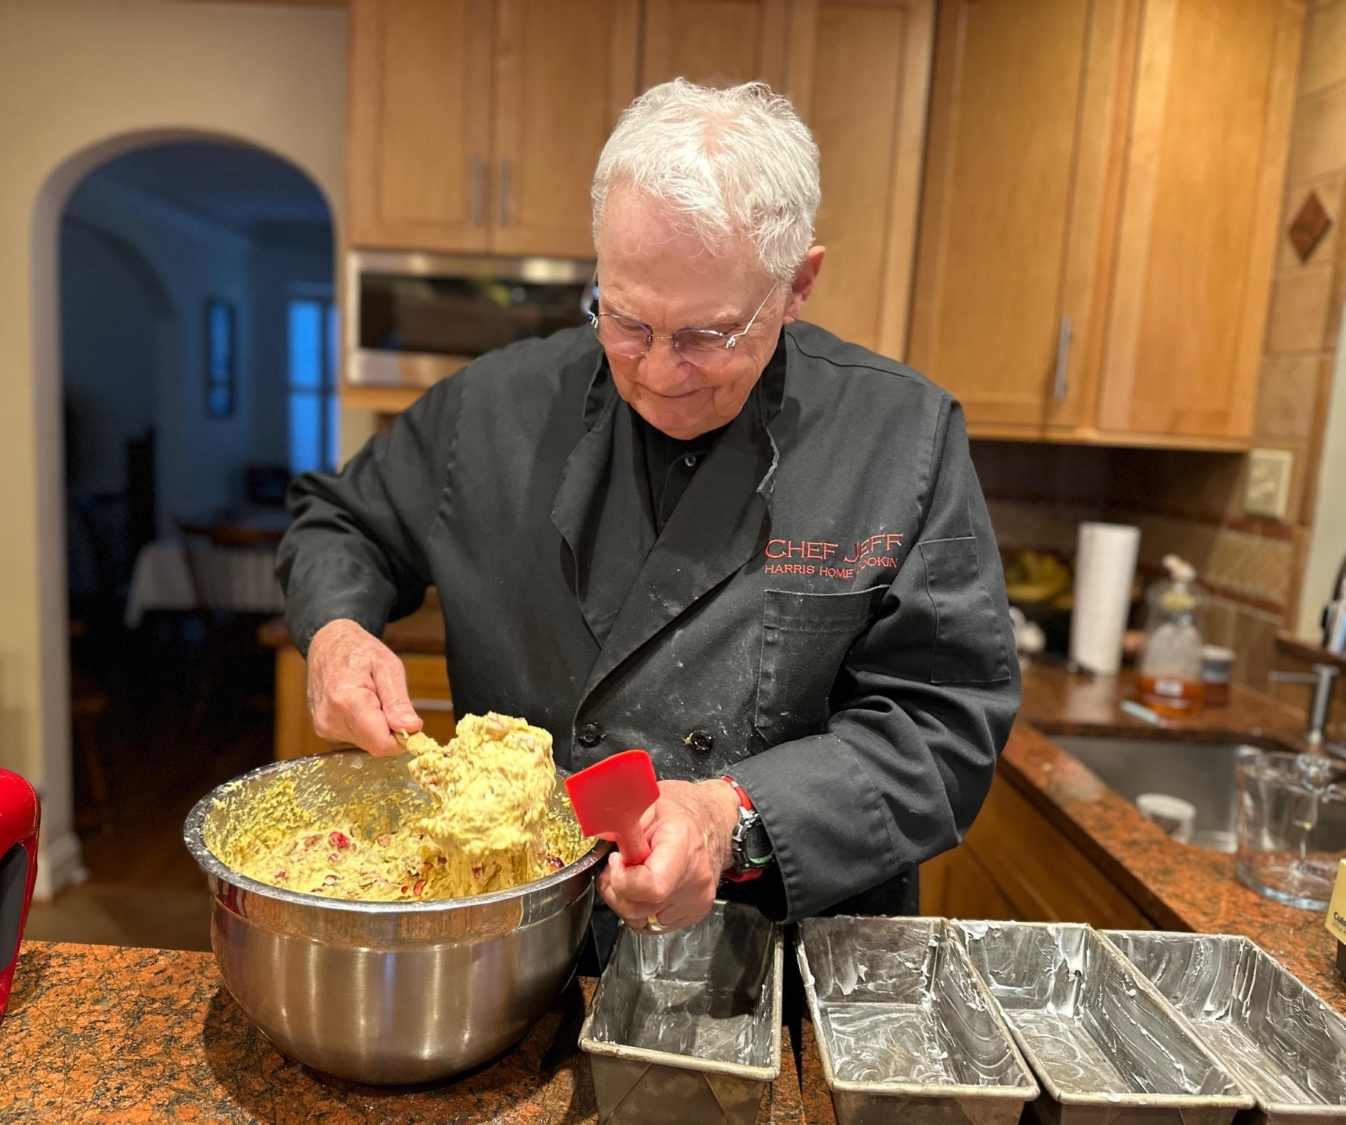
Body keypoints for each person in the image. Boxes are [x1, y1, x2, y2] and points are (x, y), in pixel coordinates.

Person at [278, 80, 1018, 951]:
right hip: (523, 957)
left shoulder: (901, 437)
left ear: (797, 284)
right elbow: (340, 522)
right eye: (625, 320)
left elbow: (944, 727)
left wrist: (731, 816)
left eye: (708, 335)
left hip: (784, 961)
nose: (661, 372)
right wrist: (336, 631)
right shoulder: (491, 408)